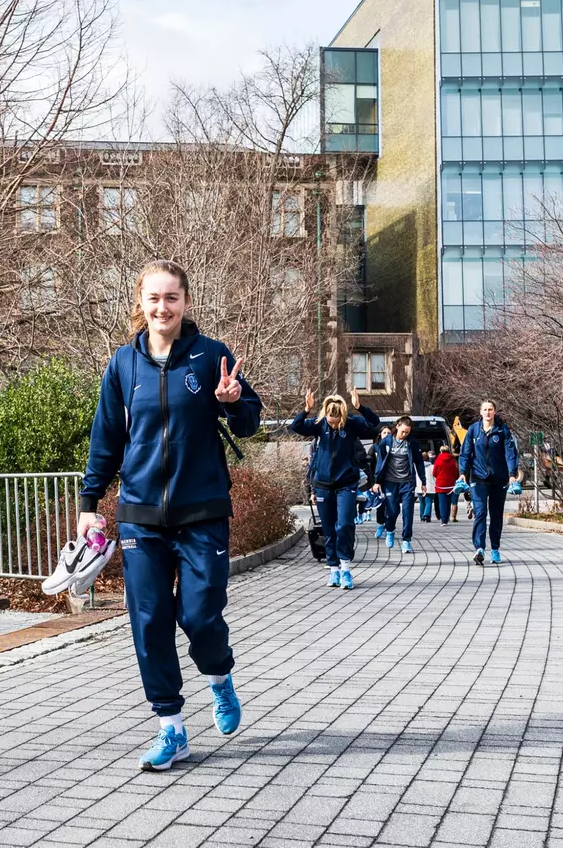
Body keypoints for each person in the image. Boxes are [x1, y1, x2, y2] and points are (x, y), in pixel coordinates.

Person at [79, 261, 262, 772]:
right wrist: (88, 505)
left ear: (186, 302)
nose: (162, 308)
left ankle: (219, 677)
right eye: (153, 298)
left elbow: (248, 422)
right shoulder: (122, 365)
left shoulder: (210, 357)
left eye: (172, 298)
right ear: (140, 301)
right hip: (140, 514)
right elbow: (106, 439)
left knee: (201, 614)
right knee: (150, 619)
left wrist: (234, 401)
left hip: (201, 510)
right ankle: (171, 727)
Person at [290, 389, 380, 590]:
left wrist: (360, 406)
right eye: (330, 421)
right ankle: (334, 569)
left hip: (346, 484)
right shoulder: (319, 425)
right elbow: (295, 426)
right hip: (323, 485)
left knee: (345, 524)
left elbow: (374, 425)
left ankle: (346, 568)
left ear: (342, 415)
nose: (333, 424)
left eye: (336, 421)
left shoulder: (351, 424)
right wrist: (306, 409)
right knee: (329, 529)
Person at [458, 399, 520, 564]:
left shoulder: (502, 430)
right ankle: (479, 548)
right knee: (480, 513)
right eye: (484, 409)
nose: (487, 412)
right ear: (480, 412)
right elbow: (465, 453)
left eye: (490, 409)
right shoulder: (473, 430)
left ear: (495, 412)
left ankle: (495, 549)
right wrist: (463, 473)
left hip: (499, 479)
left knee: (496, 515)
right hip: (478, 478)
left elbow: (510, 453)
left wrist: (512, 474)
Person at [371, 416, 426, 555]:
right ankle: (390, 530)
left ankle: (406, 540)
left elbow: (419, 462)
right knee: (392, 511)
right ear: (398, 426)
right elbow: (380, 462)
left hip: (407, 482)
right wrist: (377, 481)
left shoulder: (412, 443)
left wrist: (423, 481)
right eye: (403, 432)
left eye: (407, 432)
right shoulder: (387, 441)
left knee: (408, 512)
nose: (404, 434)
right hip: (390, 482)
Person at [368, 426, 392, 538]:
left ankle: (389, 526)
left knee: (391, 505)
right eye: (384, 433)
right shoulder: (375, 447)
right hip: (378, 481)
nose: (386, 435)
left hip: (392, 480)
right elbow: (369, 465)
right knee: (380, 505)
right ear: (380, 435)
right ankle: (381, 524)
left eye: (389, 433)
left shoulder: (394, 447)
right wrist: (371, 482)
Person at [433, 443, 459, 525]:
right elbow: (456, 473)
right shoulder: (452, 460)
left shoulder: (438, 460)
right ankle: (446, 519)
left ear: (440, 451)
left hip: (440, 485)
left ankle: (443, 520)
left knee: (442, 503)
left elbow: (434, 473)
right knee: (448, 503)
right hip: (450, 485)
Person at [420, 452, 437, 521]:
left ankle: (422, 516)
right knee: (429, 501)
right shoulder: (432, 467)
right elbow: (435, 477)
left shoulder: (417, 466)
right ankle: (426, 515)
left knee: (422, 502)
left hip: (419, 487)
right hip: (430, 486)